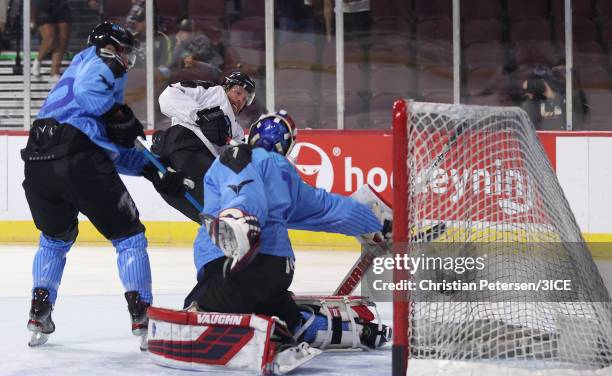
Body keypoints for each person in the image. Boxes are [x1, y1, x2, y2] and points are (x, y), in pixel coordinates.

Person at [21, 21, 188, 349]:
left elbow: (101, 147)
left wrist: (149, 169)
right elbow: (90, 102)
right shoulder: (102, 61)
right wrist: (118, 114)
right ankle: (143, 315)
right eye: (127, 52)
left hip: (39, 158)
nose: (128, 59)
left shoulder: (69, 87)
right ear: (115, 47)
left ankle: (39, 310)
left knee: (54, 239)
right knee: (129, 237)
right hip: (77, 157)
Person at [183, 110, 391, 349]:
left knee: (198, 309)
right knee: (284, 314)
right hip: (277, 270)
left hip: (236, 264)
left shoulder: (238, 155)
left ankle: (213, 311)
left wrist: (239, 218)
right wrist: (377, 224)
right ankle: (350, 330)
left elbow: (244, 189)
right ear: (289, 144)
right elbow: (328, 209)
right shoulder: (288, 177)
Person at [152, 71, 256, 223]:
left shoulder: (237, 132)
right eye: (238, 92)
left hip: (192, 170)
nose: (241, 99)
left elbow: (232, 163)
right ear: (226, 86)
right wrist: (200, 116)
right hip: (183, 147)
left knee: (215, 222)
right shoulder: (213, 91)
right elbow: (167, 96)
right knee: (225, 212)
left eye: (245, 98)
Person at [31, 0, 72, 81]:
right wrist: (32, 18)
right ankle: (38, 60)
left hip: (61, 5)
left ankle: (55, 72)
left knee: (63, 38)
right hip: (43, 5)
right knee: (50, 39)